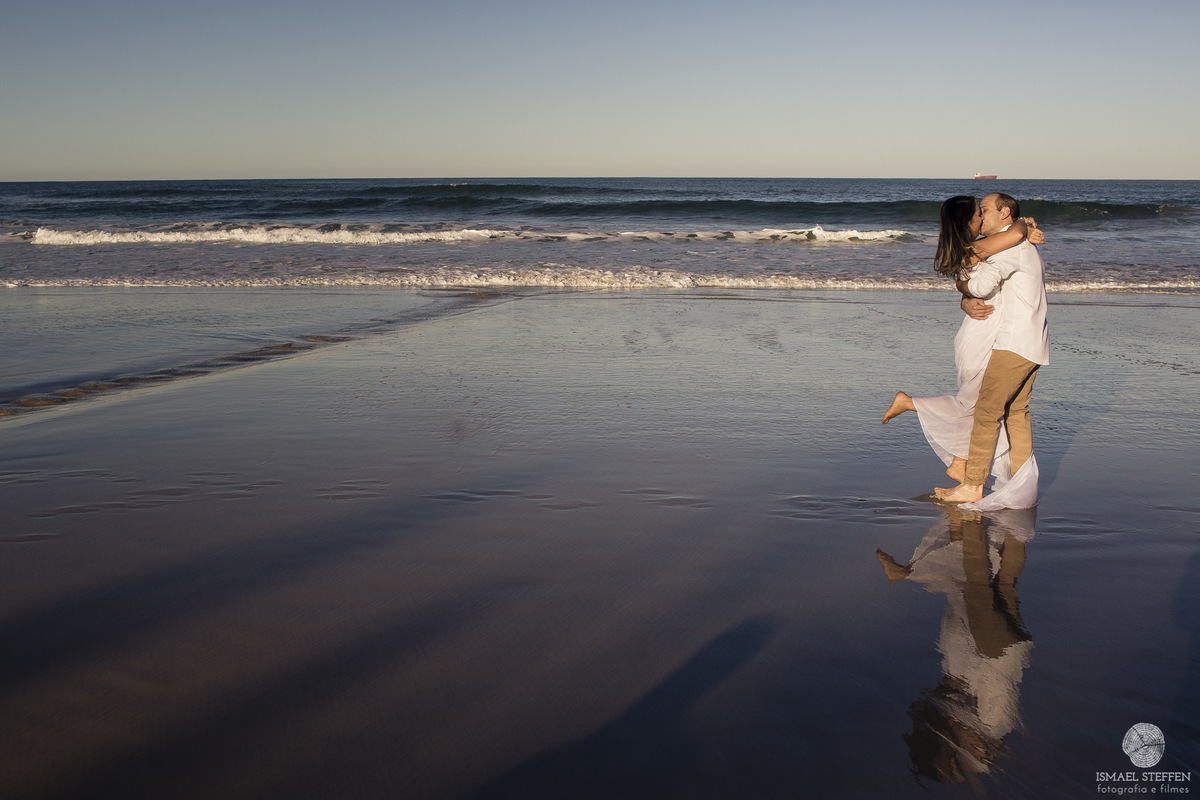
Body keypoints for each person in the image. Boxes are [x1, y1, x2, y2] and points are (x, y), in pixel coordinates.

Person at [881, 195, 1042, 508]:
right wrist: (1022, 227)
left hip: (1001, 339)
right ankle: (1007, 485)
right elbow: (976, 281)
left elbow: (976, 282)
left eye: (984, 210)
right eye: (978, 213)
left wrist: (1022, 227)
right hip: (1006, 339)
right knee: (996, 410)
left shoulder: (996, 245)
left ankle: (969, 474)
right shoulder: (993, 246)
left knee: (980, 408)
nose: (981, 217)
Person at [935, 193, 1049, 506]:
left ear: (1005, 212)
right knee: (1016, 414)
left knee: (986, 413)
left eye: (985, 210)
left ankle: (973, 486)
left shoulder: (1010, 245)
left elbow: (982, 286)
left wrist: (963, 288)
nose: (981, 217)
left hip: (1013, 343)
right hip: (1032, 344)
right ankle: (1021, 488)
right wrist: (963, 295)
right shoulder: (1015, 241)